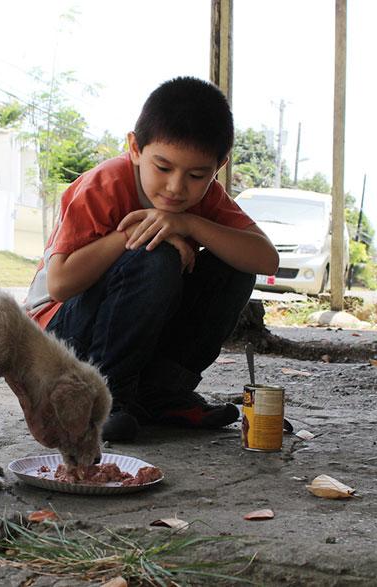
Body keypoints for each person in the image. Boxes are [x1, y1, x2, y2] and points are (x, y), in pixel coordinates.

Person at [24, 76, 279, 442]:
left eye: (196, 175)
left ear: (218, 166)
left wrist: (187, 222)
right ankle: (101, 399)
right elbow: (60, 283)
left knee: (234, 267)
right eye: (163, 167)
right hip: (58, 340)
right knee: (153, 252)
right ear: (135, 147)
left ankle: (163, 395)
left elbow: (265, 259)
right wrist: (130, 234)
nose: (177, 187)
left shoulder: (203, 198)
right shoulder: (105, 185)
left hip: (124, 339)